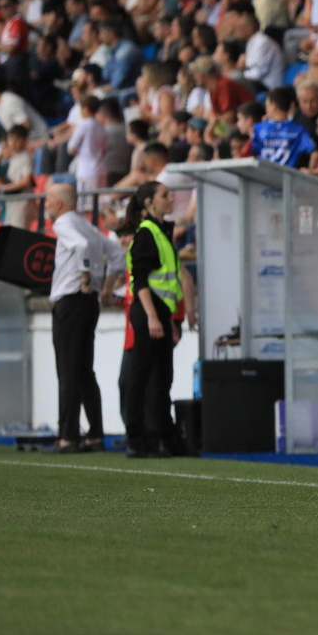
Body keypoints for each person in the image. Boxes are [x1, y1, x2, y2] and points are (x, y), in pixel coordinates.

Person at [45, 182, 122, 453]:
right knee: (85, 371)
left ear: (58, 203)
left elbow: (79, 247)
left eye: (47, 199)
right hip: (89, 304)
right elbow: (117, 254)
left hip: (71, 301)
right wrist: (107, 288)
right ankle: (95, 435)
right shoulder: (86, 225)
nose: (45, 204)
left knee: (68, 370)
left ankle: (68, 437)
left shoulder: (63, 224)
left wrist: (86, 275)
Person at [120, 181, 189, 459]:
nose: (170, 198)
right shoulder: (148, 233)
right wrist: (152, 316)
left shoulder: (159, 232)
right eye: (164, 195)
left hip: (160, 314)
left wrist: (169, 320)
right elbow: (140, 281)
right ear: (149, 203)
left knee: (161, 378)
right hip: (148, 312)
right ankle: (137, 438)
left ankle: (163, 438)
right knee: (141, 376)